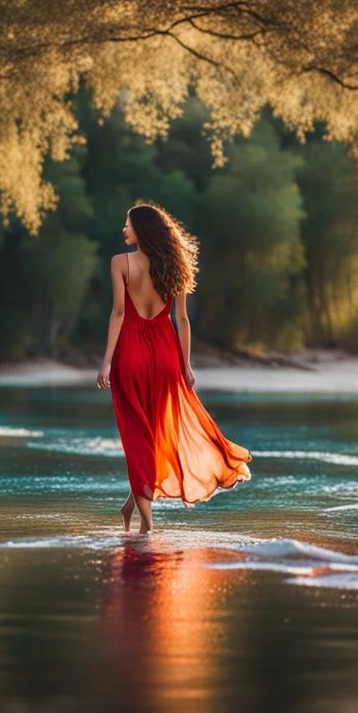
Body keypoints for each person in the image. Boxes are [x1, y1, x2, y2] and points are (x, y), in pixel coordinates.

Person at [96, 203, 251, 533]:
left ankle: (146, 524)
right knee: (151, 435)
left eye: (128, 225)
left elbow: (120, 315)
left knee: (137, 437)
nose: (123, 230)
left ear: (142, 229)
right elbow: (182, 320)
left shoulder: (120, 263)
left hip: (132, 354)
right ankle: (130, 507)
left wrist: (106, 361)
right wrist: (185, 365)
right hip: (165, 354)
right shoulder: (175, 265)